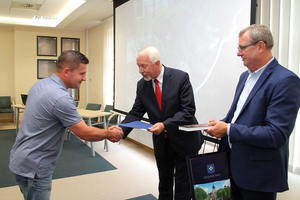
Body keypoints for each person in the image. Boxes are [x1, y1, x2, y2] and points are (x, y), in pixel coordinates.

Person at [9, 50, 123, 200]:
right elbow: (84, 133)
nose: (84, 78)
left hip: (21, 159)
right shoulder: (61, 97)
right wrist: (109, 133)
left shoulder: (39, 85)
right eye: (82, 73)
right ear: (67, 72)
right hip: (35, 168)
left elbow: (24, 119)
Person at [206, 24, 300, 200]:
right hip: (232, 166)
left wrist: (228, 129)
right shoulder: (245, 76)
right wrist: (217, 124)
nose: (238, 53)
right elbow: (237, 117)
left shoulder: (285, 80)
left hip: (258, 176)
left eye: (242, 48)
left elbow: (276, 134)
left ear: (261, 46)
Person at [120, 46, 203, 200]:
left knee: (183, 187)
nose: (140, 70)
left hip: (185, 141)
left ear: (157, 63)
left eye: (143, 66)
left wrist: (164, 125)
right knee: (164, 185)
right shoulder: (142, 85)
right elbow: (136, 112)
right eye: (138, 66)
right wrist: (121, 130)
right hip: (162, 144)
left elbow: (188, 111)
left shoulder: (180, 77)